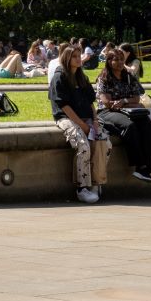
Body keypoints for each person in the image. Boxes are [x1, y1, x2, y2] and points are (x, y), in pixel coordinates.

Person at [50, 43, 108, 203]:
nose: (79, 59)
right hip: (66, 118)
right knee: (83, 146)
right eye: (75, 56)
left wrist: (95, 120)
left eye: (79, 55)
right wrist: (82, 126)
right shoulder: (59, 77)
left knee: (105, 144)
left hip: (88, 118)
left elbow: (91, 102)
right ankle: (82, 188)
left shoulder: (82, 77)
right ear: (67, 59)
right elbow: (64, 106)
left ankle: (96, 182)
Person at [94, 45, 151, 181]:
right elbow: (106, 102)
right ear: (109, 62)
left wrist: (124, 101)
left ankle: (148, 166)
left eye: (122, 59)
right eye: (117, 60)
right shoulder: (104, 78)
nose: (121, 63)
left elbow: (137, 98)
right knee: (130, 126)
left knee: (148, 125)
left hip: (127, 110)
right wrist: (126, 103)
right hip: (106, 112)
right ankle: (140, 166)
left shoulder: (128, 76)